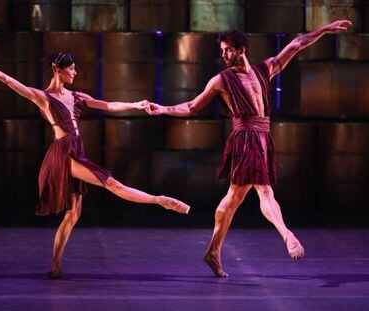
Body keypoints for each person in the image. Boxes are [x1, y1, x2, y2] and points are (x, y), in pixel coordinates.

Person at [0, 52, 190, 278]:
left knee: (73, 213)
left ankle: (55, 264)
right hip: (63, 153)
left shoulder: (77, 96)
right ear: (58, 70)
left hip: (77, 149)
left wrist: (136, 105)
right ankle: (160, 200)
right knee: (112, 184)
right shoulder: (43, 97)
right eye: (72, 68)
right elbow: (8, 80)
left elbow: (107, 105)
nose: (76, 72)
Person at [146, 20, 352, 277]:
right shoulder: (221, 80)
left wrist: (324, 29)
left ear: (241, 49)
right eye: (222, 51)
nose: (223, 55)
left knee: (233, 199)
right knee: (263, 191)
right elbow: (192, 106)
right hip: (245, 138)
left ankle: (213, 251)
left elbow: (297, 45)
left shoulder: (265, 70)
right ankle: (287, 236)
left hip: (264, 137)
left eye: (228, 50)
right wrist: (163, 109)